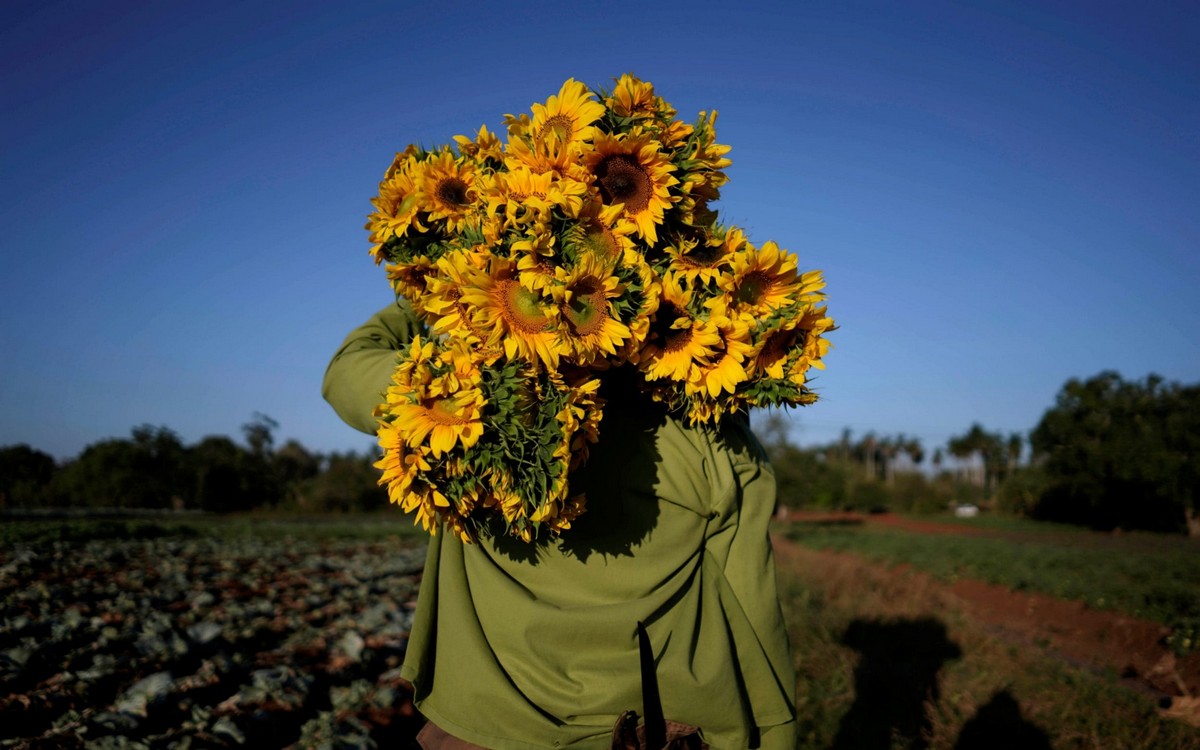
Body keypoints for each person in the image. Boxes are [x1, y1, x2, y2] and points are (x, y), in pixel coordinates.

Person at [323, 297, 798, 749]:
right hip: (654, 731)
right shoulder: (714, 442)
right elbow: (753, 621)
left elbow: (347, 371)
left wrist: (422, 294)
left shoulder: (454, 399)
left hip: (482, 729)